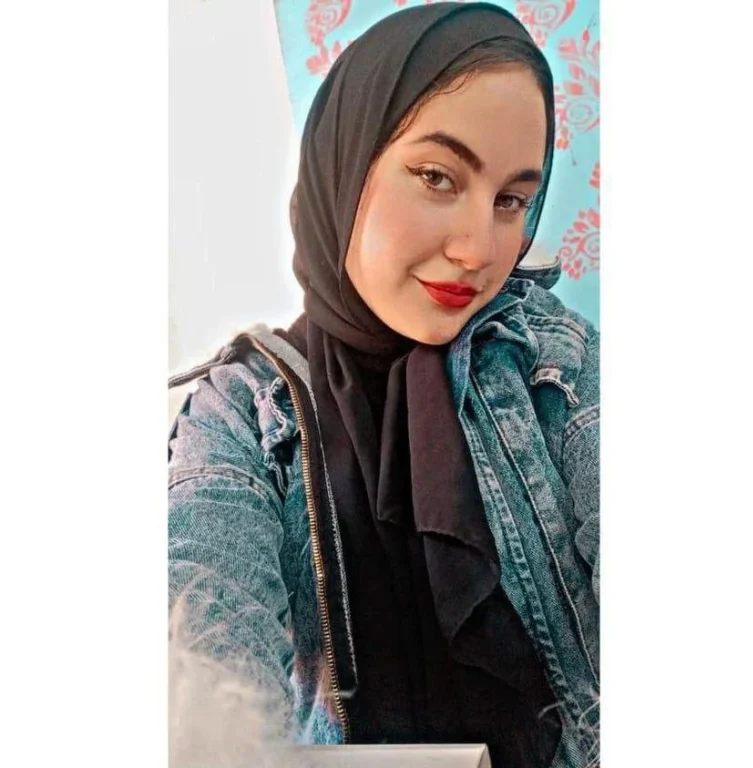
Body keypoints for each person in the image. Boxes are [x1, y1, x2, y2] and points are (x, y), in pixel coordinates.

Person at [168, 3, 599, 767]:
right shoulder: (240, 413)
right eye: (437, 177)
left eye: (510, 200)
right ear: (347, 160)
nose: (478, 249)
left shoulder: (552, 358)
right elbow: (204, 628)